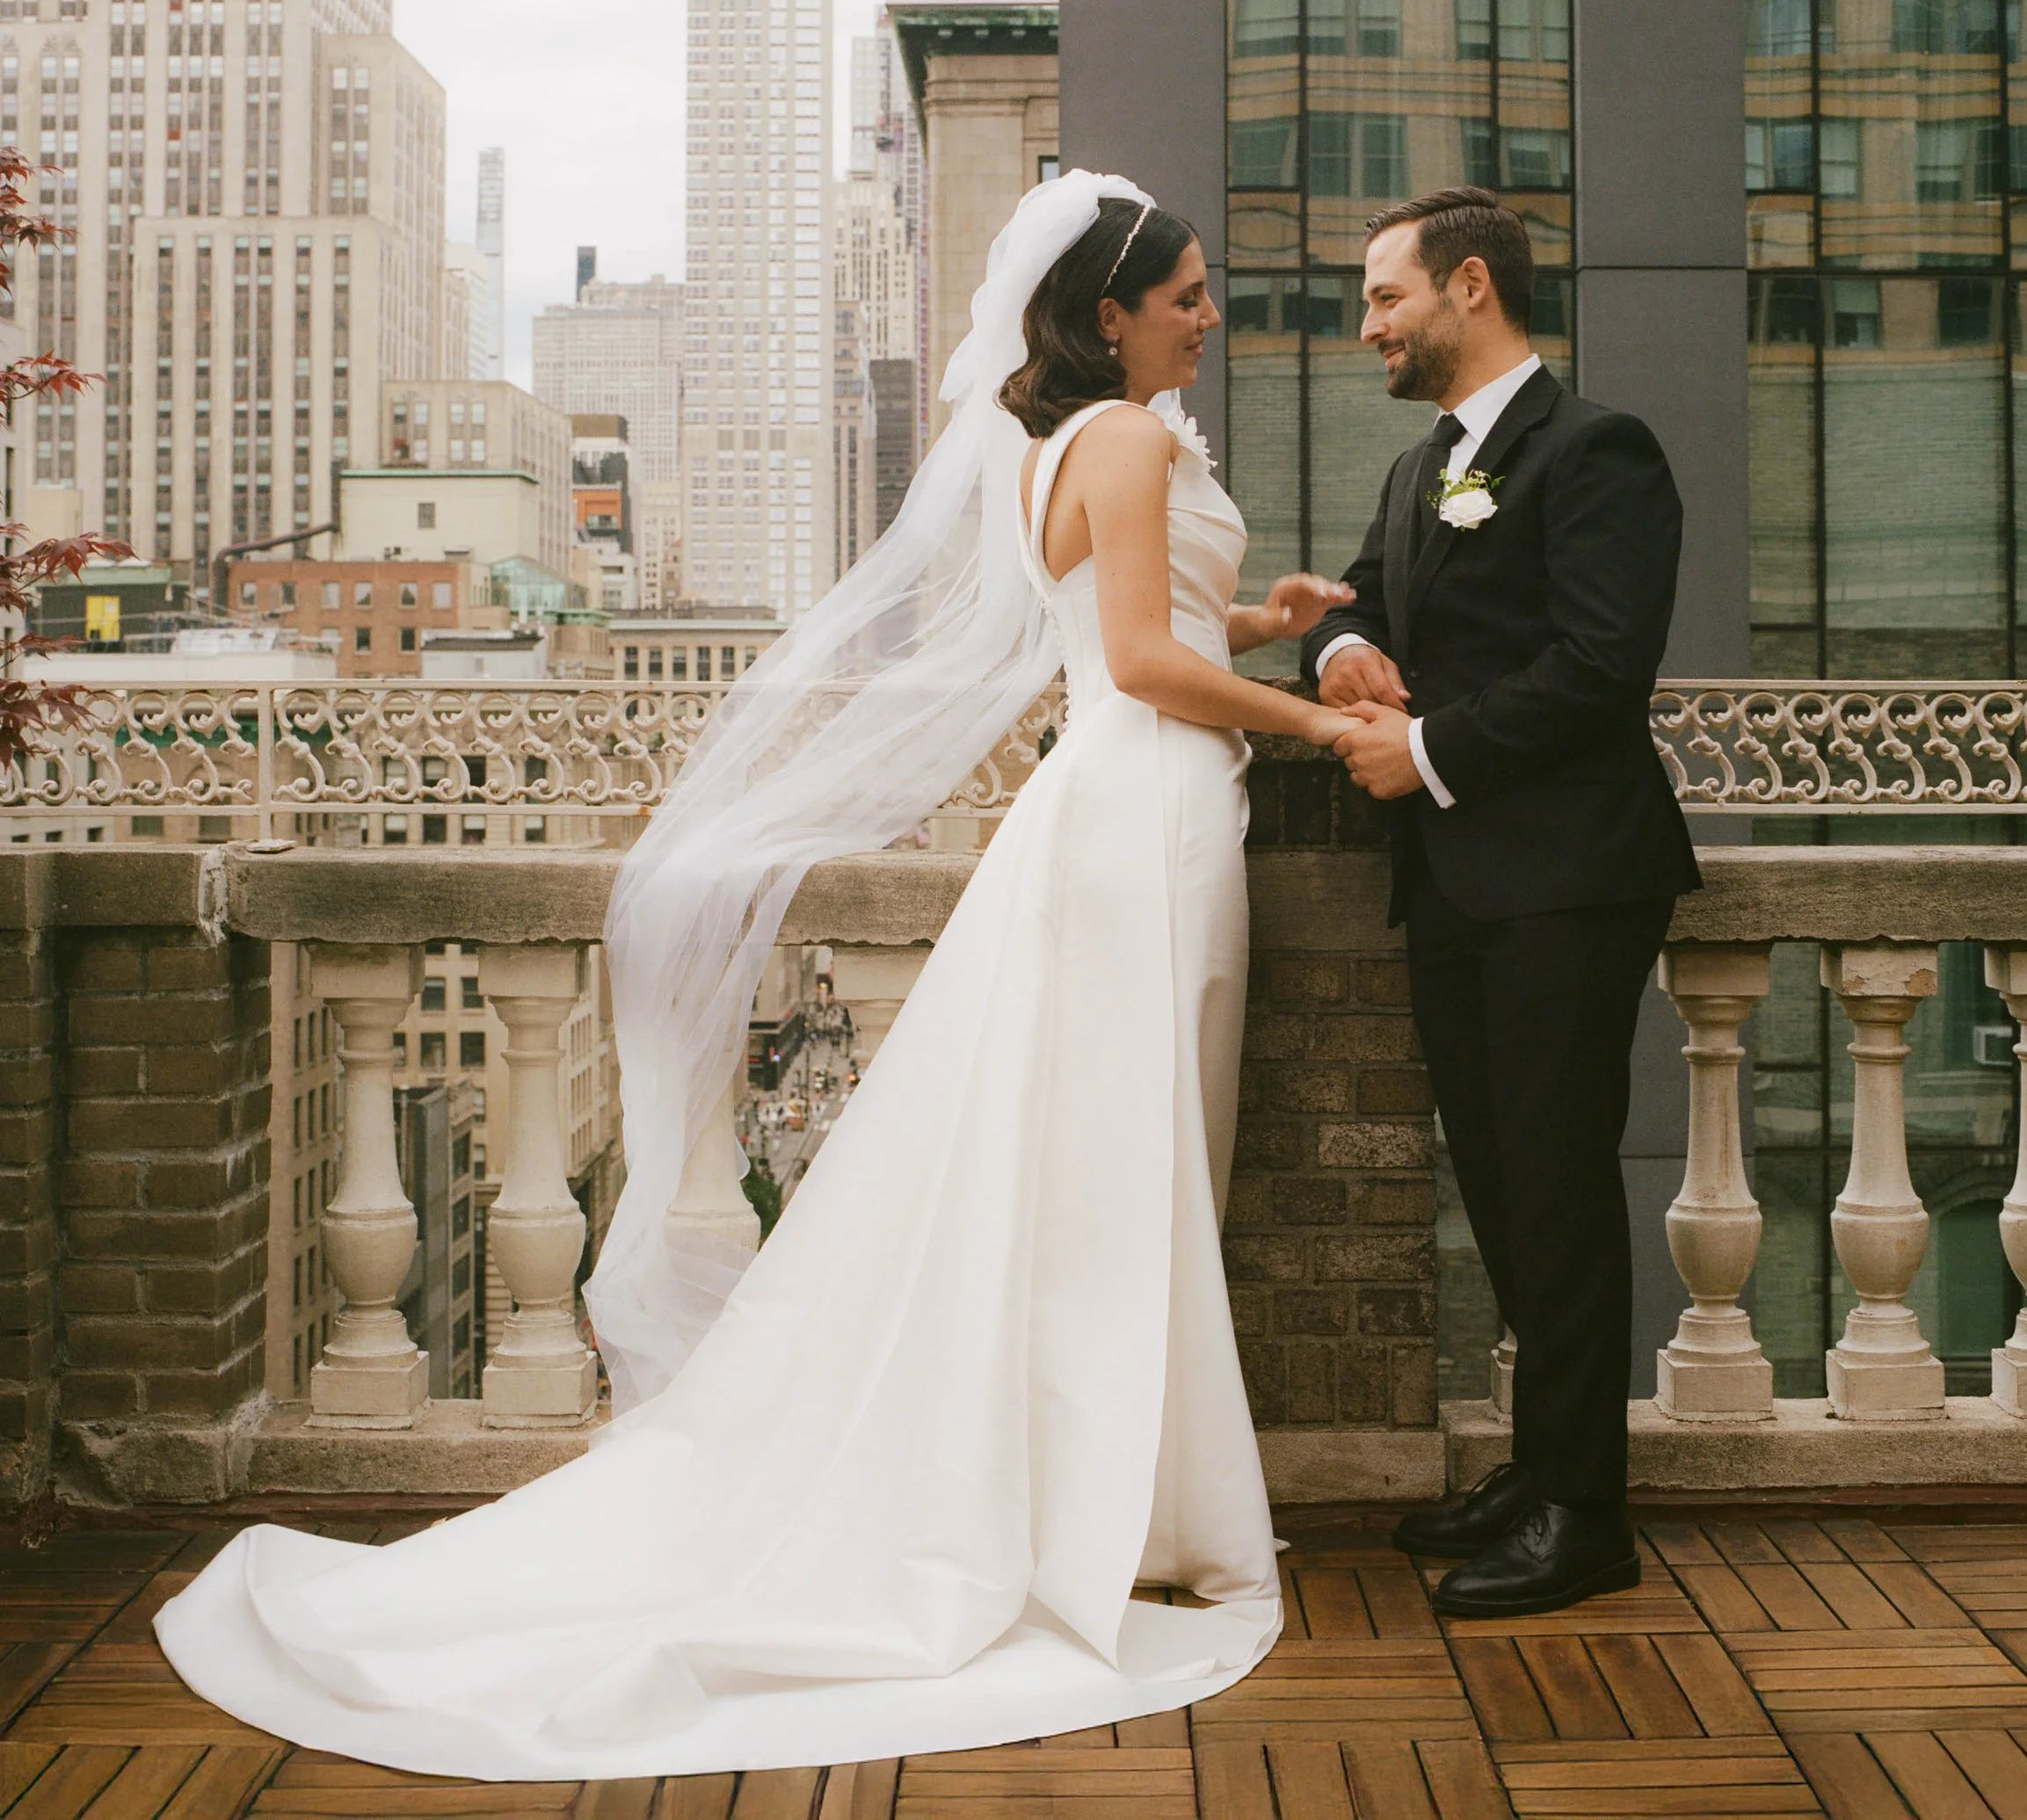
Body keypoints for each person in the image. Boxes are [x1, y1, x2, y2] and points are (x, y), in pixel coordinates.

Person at [153, 172, 1354, 1779]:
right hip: (1147, 811)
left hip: (1119, 803)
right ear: (1111, 310)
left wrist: (1263, 624)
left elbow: (1142, 627)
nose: (1212, 316)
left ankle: (1104, 1495)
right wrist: (1333, 725)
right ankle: (1114, 1507)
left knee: (1101, 1160)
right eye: (1190, 294)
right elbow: (1137, 663)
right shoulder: (1127, 438)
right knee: (1132, 1161)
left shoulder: (1063, 447)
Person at [1311, 186, 1700, 1621]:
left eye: (1386, 298)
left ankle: (1586, 1515)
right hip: (1459, 890)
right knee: (1500, 1185)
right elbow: (1357, 597)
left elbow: (1603, 669)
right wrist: (1348, 655)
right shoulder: (1426, 470)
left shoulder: (1598, 450)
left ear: (1470, 287)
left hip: (1568, 886)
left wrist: (1419, 754)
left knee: (1558, 1191)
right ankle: (1537, 1473)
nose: (1370, 327)